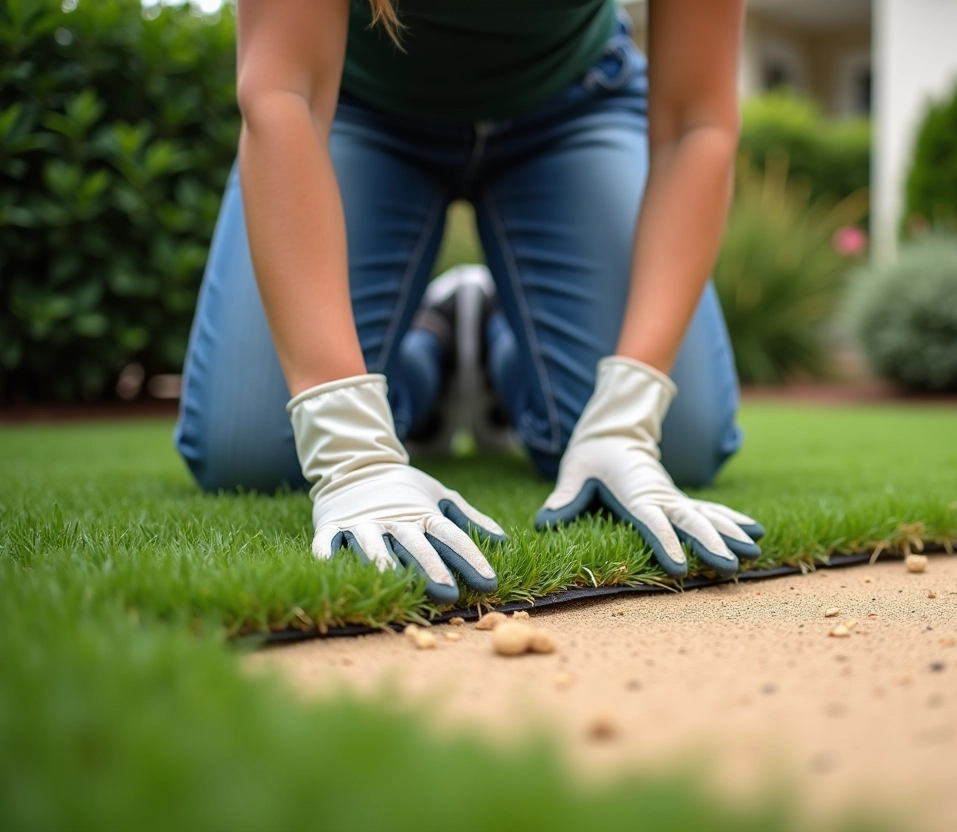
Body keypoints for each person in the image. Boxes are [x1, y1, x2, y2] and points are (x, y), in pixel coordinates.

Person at [174, 0, 764, 604]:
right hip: (356, 104)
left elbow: (699, 123)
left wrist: (627, 413)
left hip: (574, 105)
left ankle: (495, 349)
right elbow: (282, 94)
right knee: (250, 452)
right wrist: (351, 449)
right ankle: (432, 350)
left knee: (682, 442)